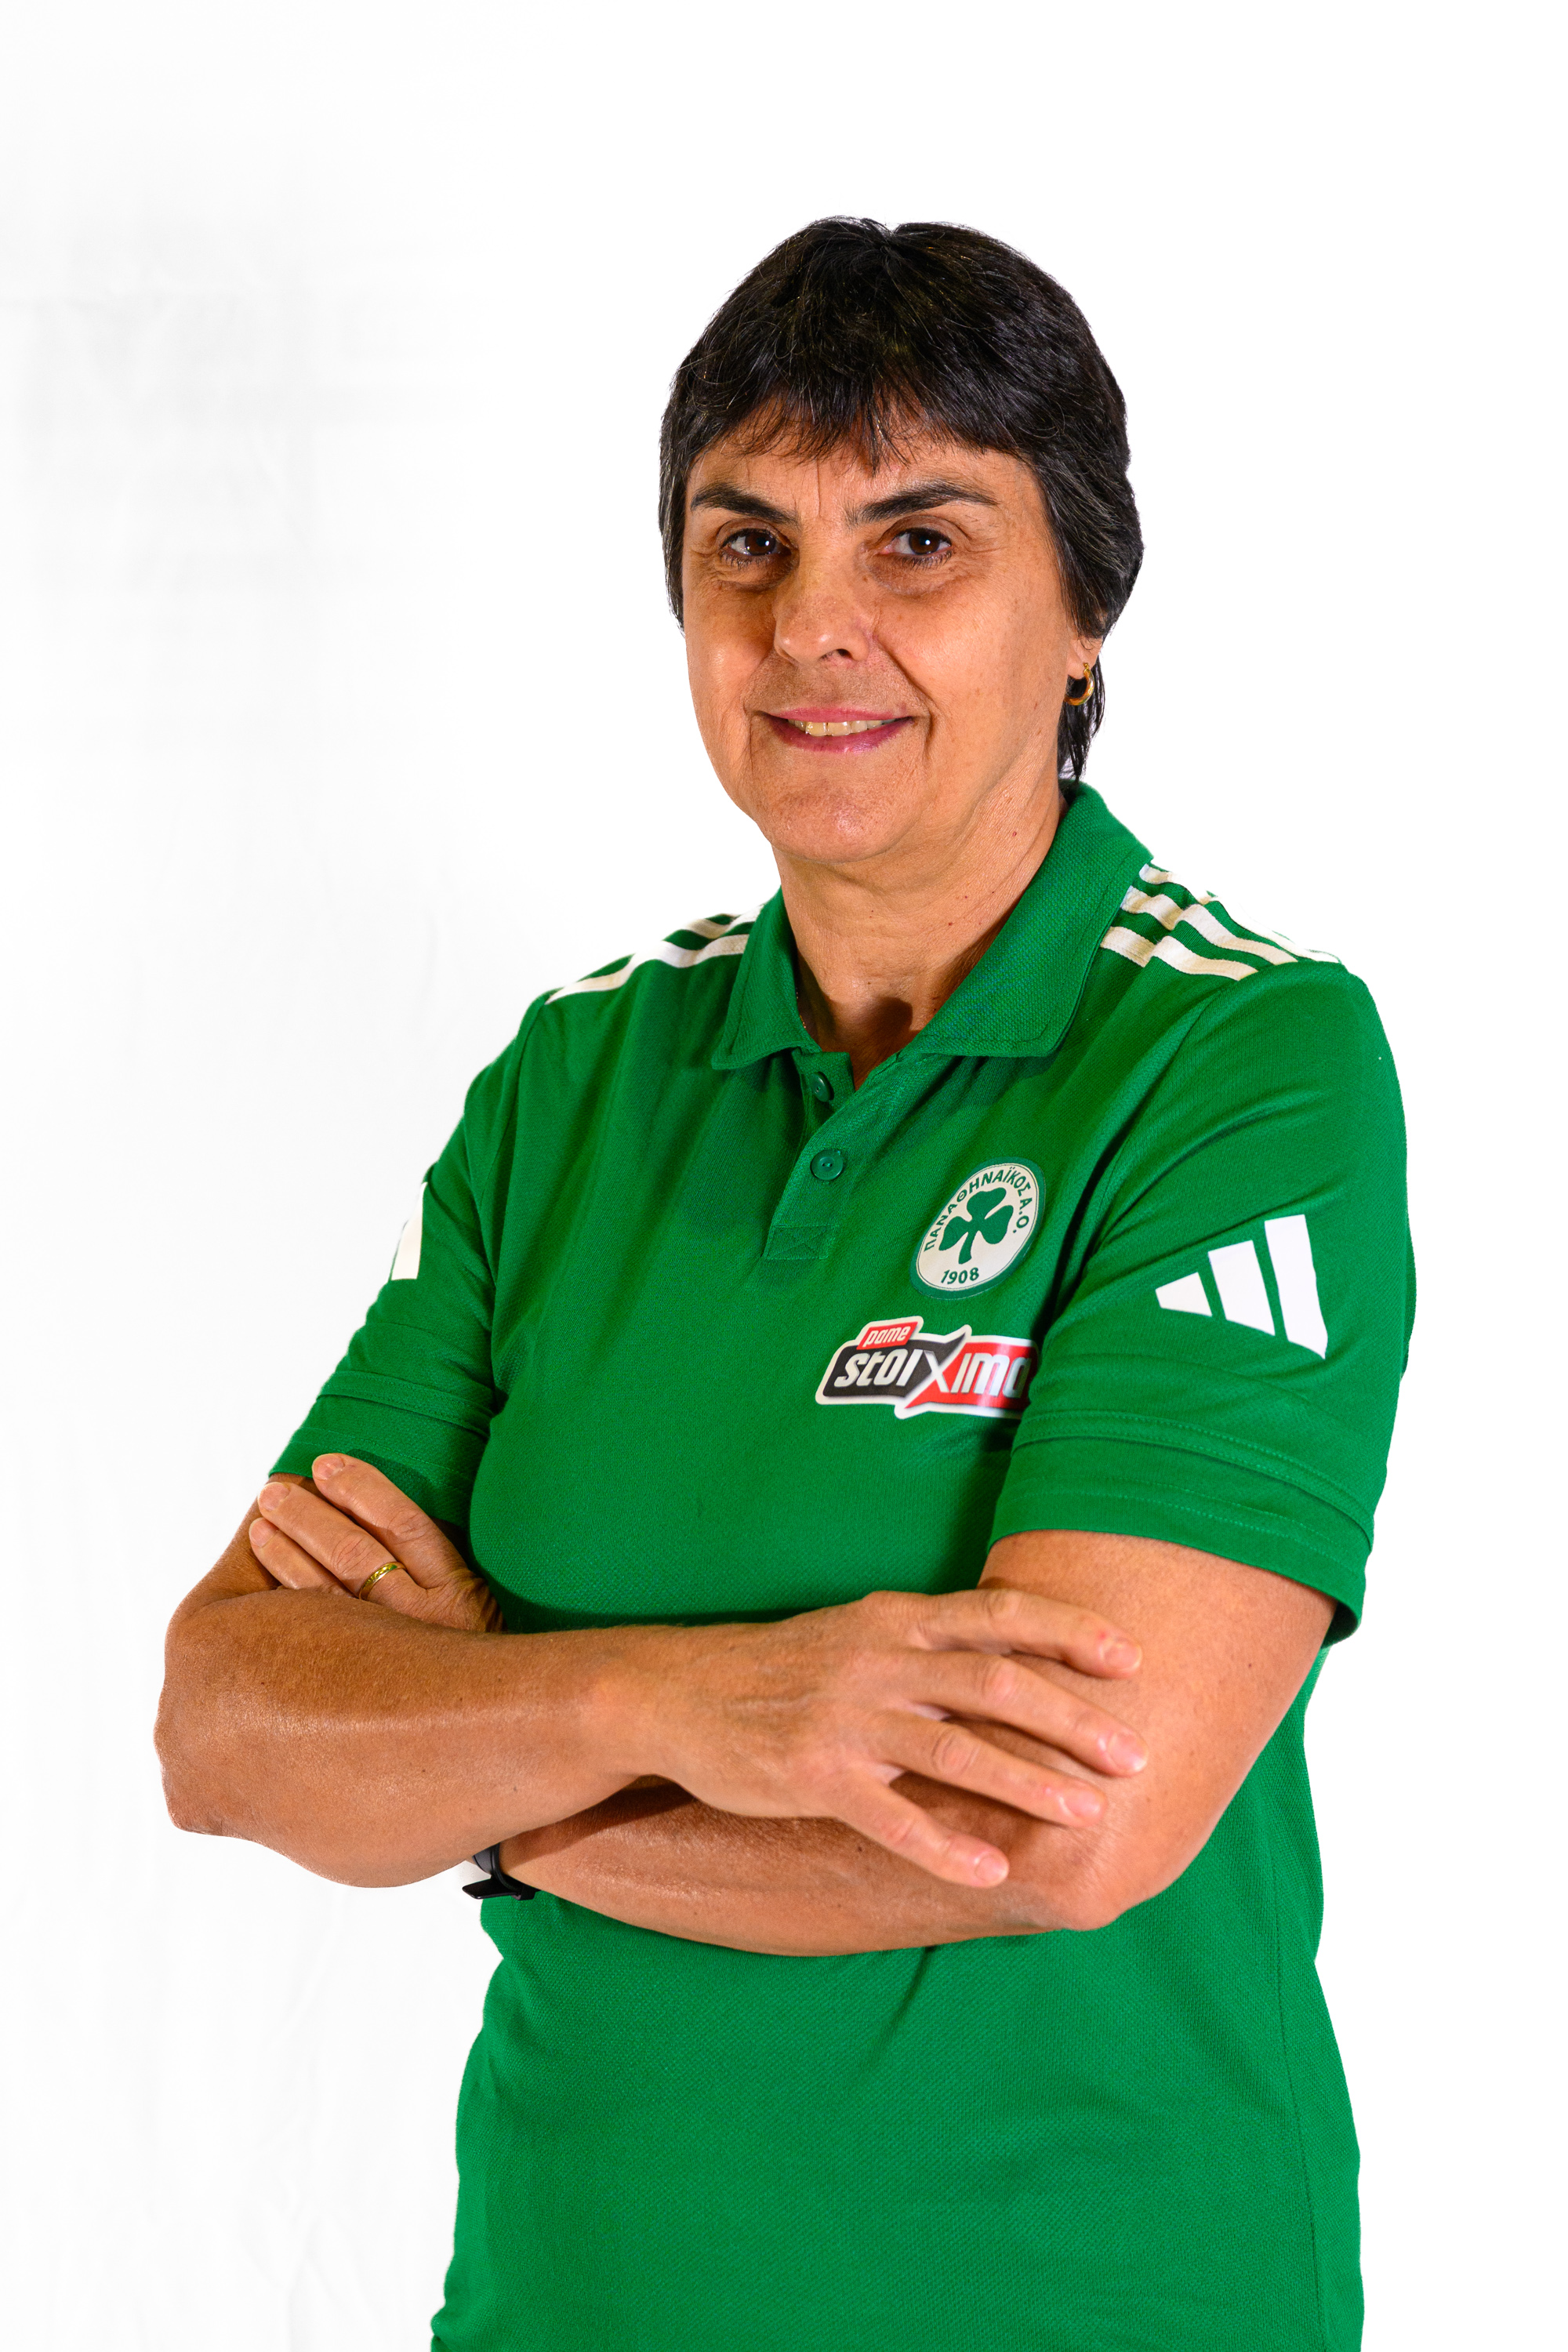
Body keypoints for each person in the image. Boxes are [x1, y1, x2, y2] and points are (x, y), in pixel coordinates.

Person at [156, 217, 1414, 2352]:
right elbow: (228, 1723)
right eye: (747, 545)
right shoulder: (575, 1080)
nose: (814, 627)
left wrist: (489, 1776)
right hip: (570, 2298)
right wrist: (673, 1710)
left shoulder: (1239, 1062)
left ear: (1086, 614)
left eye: (919, 542)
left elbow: (1060, 1832)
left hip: (1089, 2300)